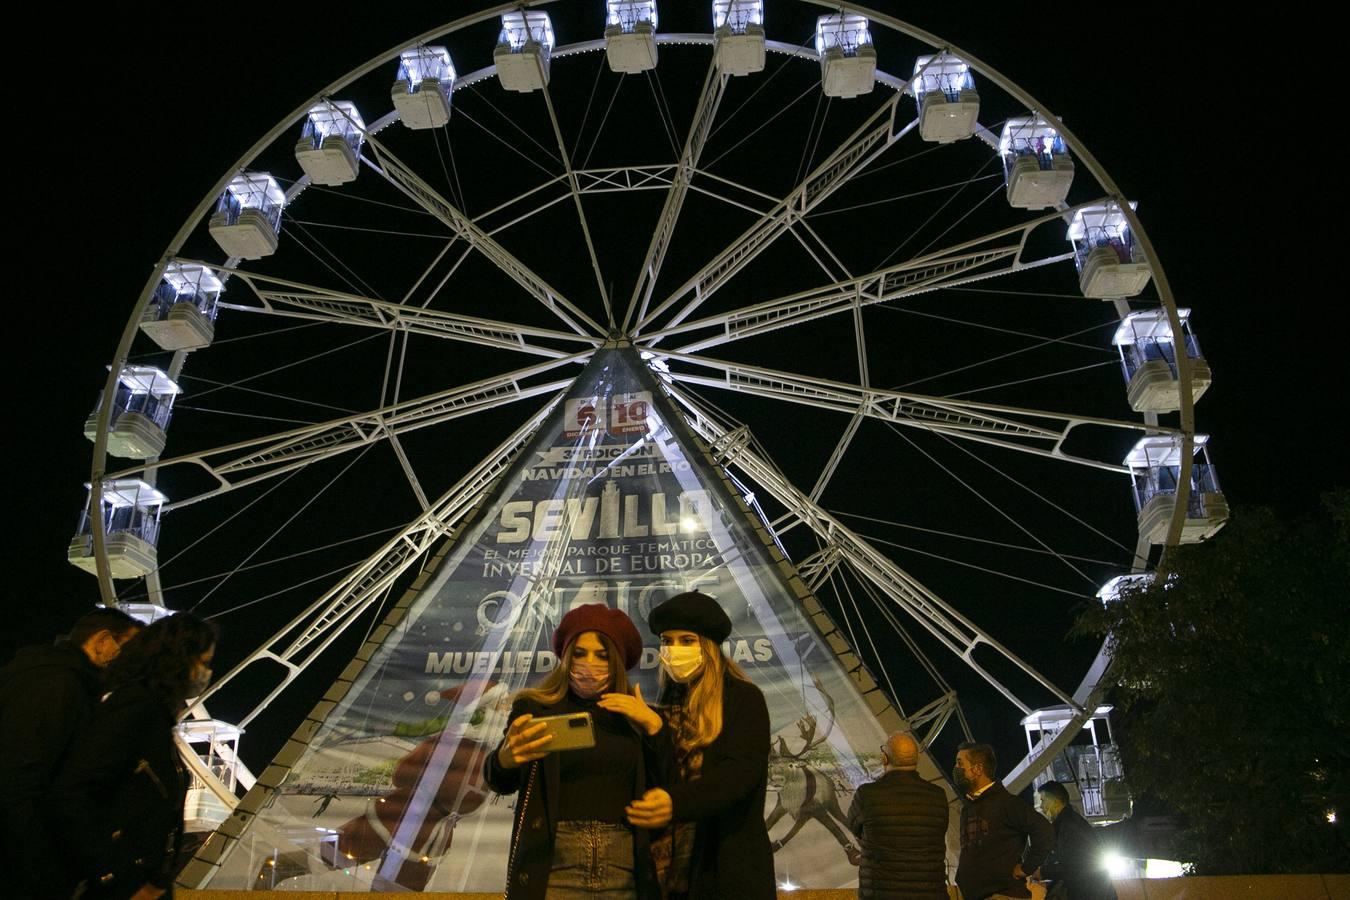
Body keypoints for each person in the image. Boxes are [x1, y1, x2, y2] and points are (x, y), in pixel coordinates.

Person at [484, 603, 670, 899]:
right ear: (566, 656)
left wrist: (655, 729)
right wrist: (504, 760)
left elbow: (667, 788)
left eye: (602, 655)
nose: (590, 663)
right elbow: (501, 781)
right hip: (553, 865)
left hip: (625, 866)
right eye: (580, 653)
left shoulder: (637, 717)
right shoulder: (535, 707)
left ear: (618, 661)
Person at [56, 612, 218, 900]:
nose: (205, 673)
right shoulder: (134, 708)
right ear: (177, 659)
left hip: (144, 883)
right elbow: (76, 792)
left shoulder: (151, 714)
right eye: (203, 663)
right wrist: (121, 877)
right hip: (127, 887)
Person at [625, 590, 775, 900]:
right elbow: (667, 780)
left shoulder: (743, 698)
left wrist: (674, 803)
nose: (674, 650)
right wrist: (655, 731)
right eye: (667, 641)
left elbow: (739, 775)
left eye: (686, 640)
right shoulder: (668, 705)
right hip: (674, 876)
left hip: (726, 871)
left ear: (707, 645)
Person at [0, 606, 141, 899]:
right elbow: (20, 782)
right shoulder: (59, 686)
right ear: (103, 641)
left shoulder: (34, 675)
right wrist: (45, 871)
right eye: (130, 650)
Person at [845, 731, 949, 899]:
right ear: (917, 759)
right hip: (930, 893)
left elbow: (854, 826)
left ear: (884, 758)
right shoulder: (938, 796)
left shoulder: (867, 795)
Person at [953, 741, 1054, 900]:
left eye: (960, 763)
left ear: (978, 769)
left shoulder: (1007, 804)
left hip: (1002, 894)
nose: (956, 768)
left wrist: (1026, 868)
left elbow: (1044, 830)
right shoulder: (968, 807)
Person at [1035, 782, 1117, 900]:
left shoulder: (1068, 826)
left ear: (1056, 801)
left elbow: (1072, 866)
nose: (1042, 807)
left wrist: (1042, 872)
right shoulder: (1069, 822)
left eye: (1043, 801)